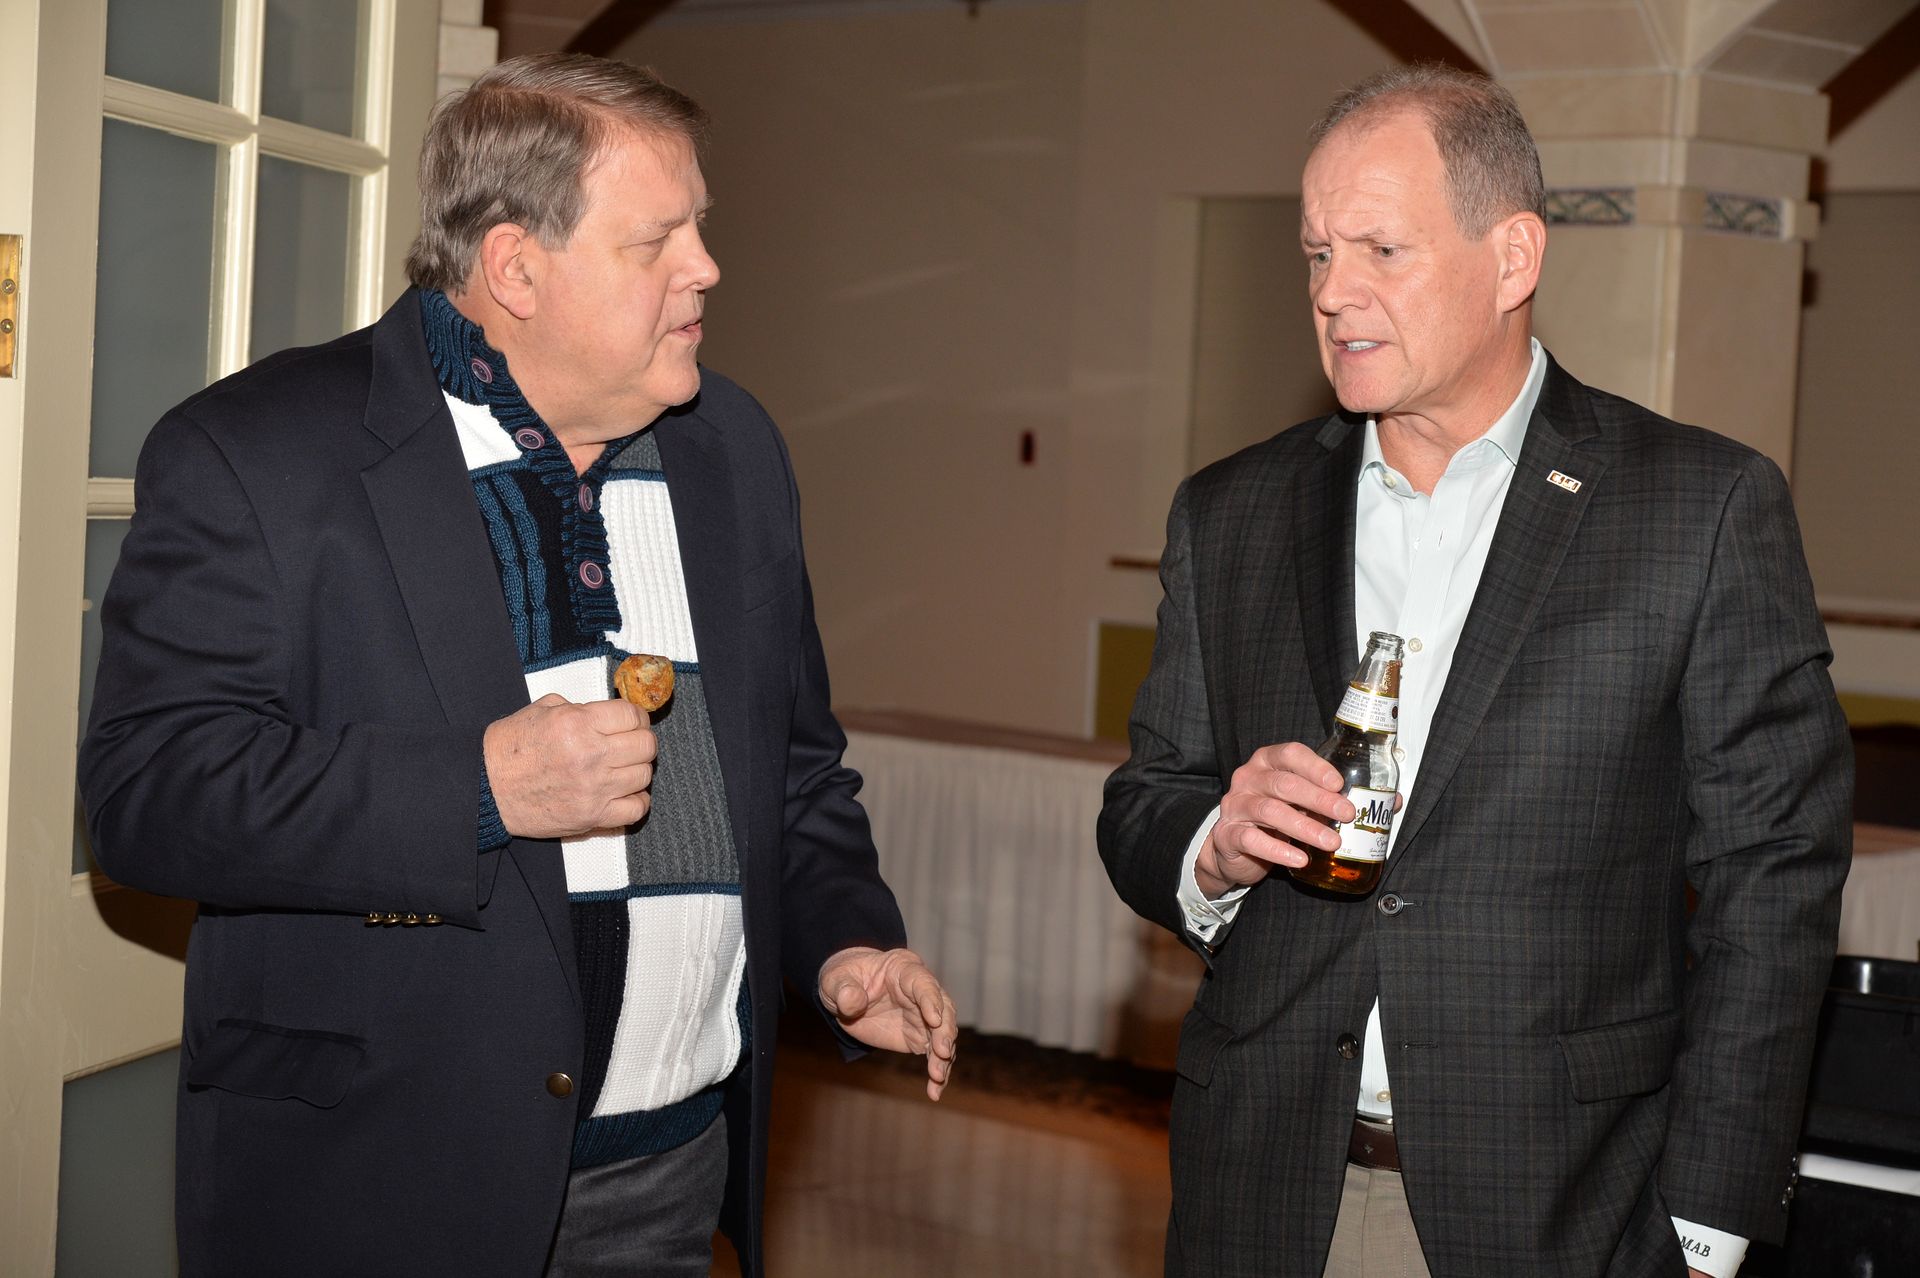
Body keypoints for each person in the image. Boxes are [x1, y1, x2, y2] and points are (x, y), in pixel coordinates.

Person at [79, 52, 956, 1277]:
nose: (707, 267)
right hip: (376, 1184)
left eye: (701, 227)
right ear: (514, 267)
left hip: (668, 1178)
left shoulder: (732, 451)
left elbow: (794, 774)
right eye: (660, 240)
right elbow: (146, 797)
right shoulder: (257, 453)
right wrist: (479, 790)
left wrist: (846, 944)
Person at [1099, 64, 1850, 1278]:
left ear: (1513, 259)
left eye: (1380, 251)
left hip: (1563, 1209)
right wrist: (1216, 844)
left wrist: (1706, 1226)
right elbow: (1145, 801)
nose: (1334, 294)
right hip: (1260, 1190)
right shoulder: (1231, 513)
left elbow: (1775, 881)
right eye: (1315, 253)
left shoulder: (1696, 508)